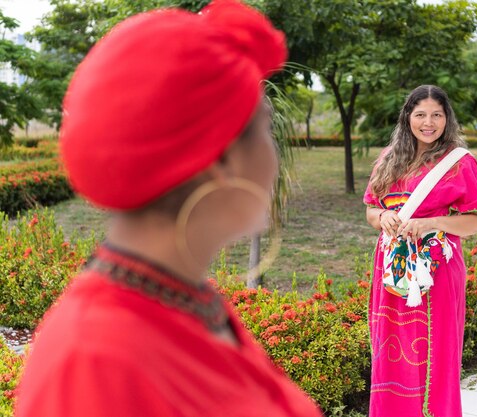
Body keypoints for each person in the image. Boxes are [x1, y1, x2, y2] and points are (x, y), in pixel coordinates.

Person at [15, 1, 322, 416]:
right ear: (222, 159)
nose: (275, 155)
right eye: (265, 127)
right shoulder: (93, 363)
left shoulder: (181, 298)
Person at [363, 85, 477, 417]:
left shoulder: (459, 163)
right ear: (408, 118)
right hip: (392, 268)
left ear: (447, 119)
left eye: (437, 115)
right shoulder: (389, 158)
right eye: (420, 115)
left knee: (433, 353)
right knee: (390, 350)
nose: (428, 122)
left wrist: (433, 222)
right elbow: (370, 210)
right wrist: (384, 216)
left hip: (437, 272)